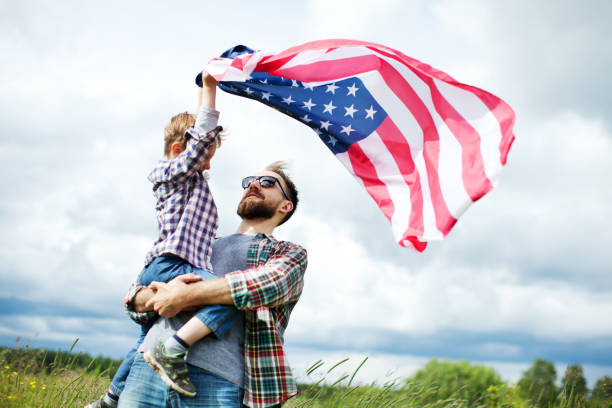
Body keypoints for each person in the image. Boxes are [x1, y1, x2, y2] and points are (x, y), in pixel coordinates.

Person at [87, 72, 235, 408]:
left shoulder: (185, 177)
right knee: (229, 298)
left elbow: (198, 138)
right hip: (170, 265)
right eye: (206, 154)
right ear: (179, 149)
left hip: (166, 266)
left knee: (143, 340)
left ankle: (109, 399)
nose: (207, 163)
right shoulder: (172, 172)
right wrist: (210, 89)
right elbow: (201, 136)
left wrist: (199, 90)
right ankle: (173, 350)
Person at [118, 161, 307, 407]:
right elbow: (134, 299)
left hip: (218, 380)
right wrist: (159, 295)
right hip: (147, 370)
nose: (253, 184)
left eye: (267, 182)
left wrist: (183, 294)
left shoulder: (286, 252)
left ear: (285, 205)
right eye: (249, 180)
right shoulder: (199, 243)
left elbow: (263, 285)